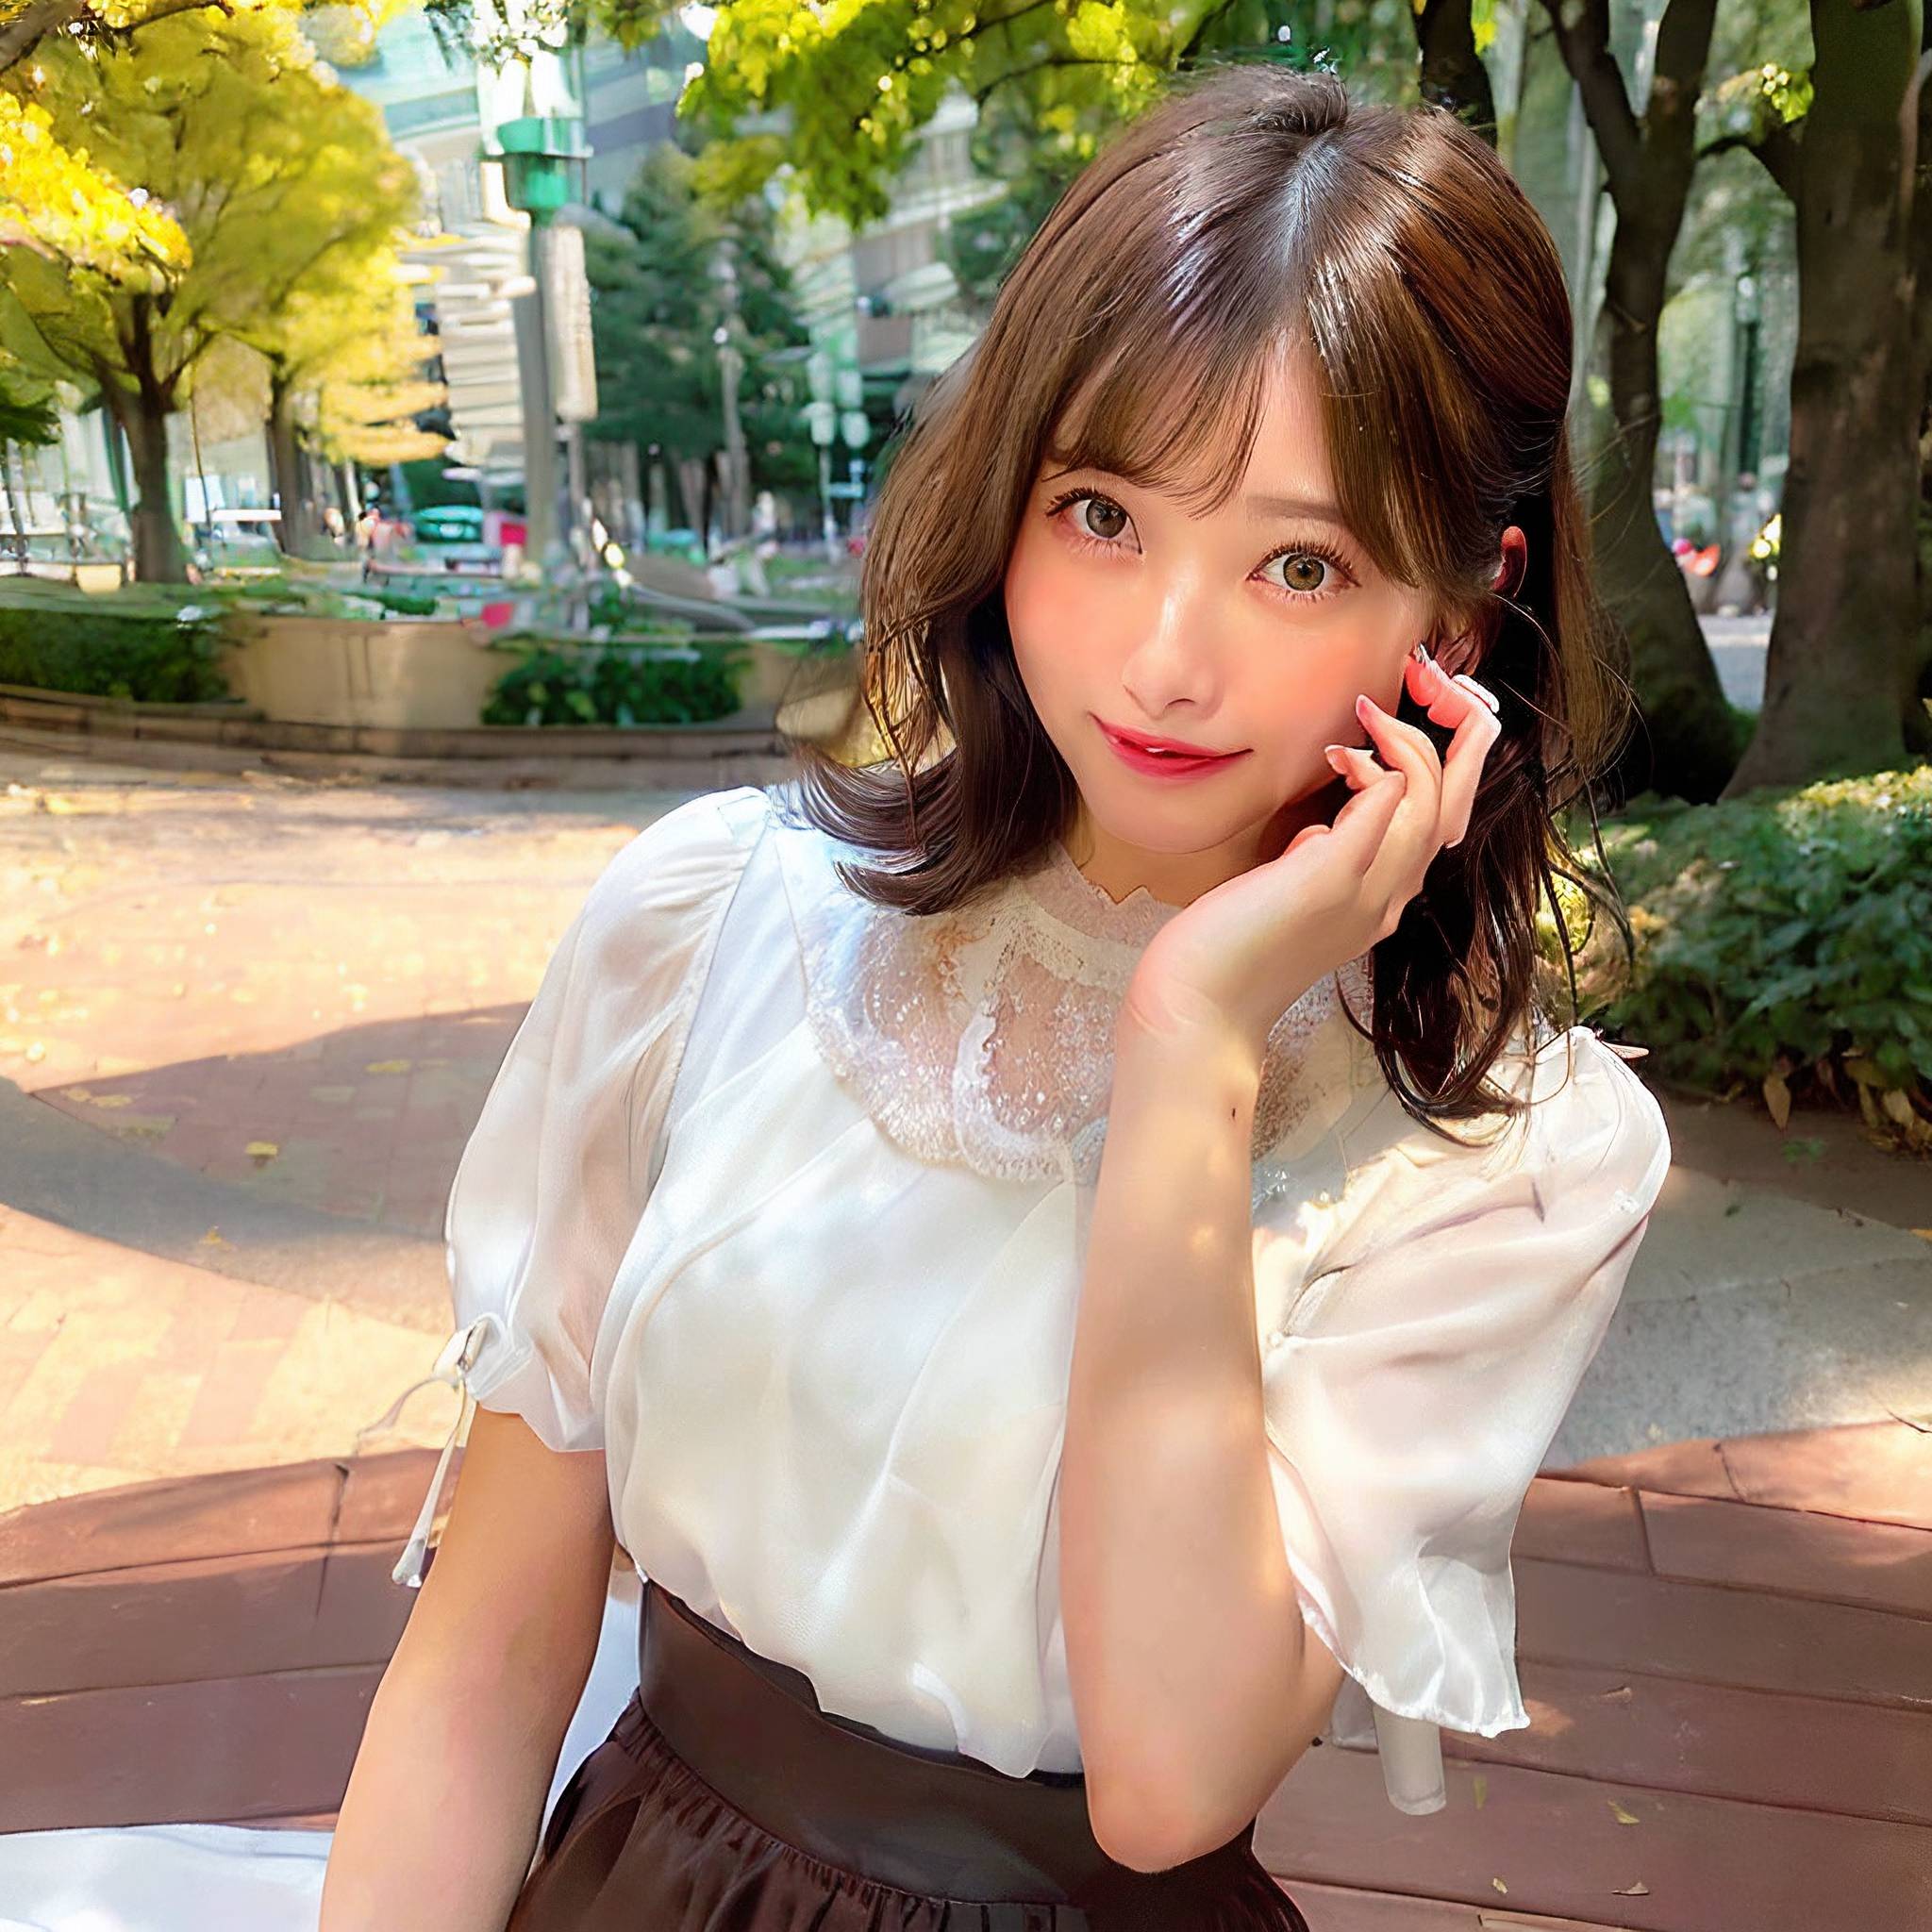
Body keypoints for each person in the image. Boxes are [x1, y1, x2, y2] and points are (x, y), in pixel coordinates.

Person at [320, 63, 1670, 1932]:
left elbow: (1170, 1775)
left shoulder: (1504, 1155)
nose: (1163, 658)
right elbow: (484, 1659)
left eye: (1296, 561)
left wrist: (1192, 1039)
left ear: (1454, 618)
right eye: (1103, 513)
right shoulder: (706, 931)